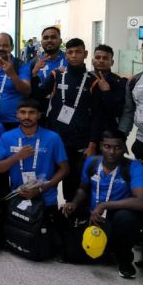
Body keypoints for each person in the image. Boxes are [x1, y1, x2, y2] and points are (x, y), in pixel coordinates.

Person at [61, 130, 143, 278]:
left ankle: (124, 259)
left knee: (127, 218)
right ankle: (103, 249)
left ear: (125, 148)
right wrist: (74, 203)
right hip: (92, 215)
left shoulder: (133, 167)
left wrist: (105, 205)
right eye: (107, 146)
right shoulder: (92, 162)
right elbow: (83, 188)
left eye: (117, 147)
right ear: (101, 146)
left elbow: (141, 202)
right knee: (71, 255)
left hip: (116, 217)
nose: (112, 152)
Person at [0, 99, 69, 244]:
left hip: (46, 198)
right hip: (17, 196)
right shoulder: (7, 137)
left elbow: (64, 169)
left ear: (39, 115)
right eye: (23, 112)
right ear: (17, 115)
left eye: (32, 113)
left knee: (47, 243)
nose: (27, 116)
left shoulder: (53, 138)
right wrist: (16, 157)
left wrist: (40, 189)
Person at [36, 38, 102, 202]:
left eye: (78, 52)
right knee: (46, 177)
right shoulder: (56, 74)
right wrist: (33, 73)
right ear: (66, 55)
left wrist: (92, 144)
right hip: (55, 136)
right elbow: (38, 95)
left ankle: (70, 216)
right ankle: (46, 214)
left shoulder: (92, 80)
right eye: (70, 52)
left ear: (85, 54)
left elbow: (96, 116)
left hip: (78, 140)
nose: (74, 56)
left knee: (72, 183)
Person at [0, 33, 32, 129]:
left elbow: (27, 91)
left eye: (5, 45)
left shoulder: (20, 66)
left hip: (14, 122)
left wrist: (12, 74)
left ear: (11, 47)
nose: (1, 48)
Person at [92, 44, 126, 134]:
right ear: (92, 61)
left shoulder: (120, 82)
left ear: (112, 62)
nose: (101, 60)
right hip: (86, 128)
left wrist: (106, 92)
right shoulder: (85, 78)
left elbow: (117, 111)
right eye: (98, 57)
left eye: (105, 58)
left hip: (108, 131)